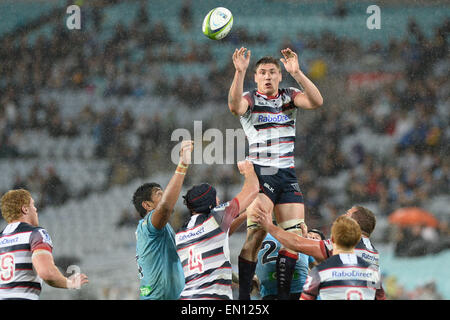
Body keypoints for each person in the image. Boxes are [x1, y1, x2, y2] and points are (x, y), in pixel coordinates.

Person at [228, 46, 324, 299]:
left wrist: (298, 72)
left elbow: (316, 101)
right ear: (256, 77)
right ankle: (244, 299)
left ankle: (283, 296)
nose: (268, 76)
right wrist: (239, 72)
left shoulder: (289, 95)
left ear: (280, 75)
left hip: (287, 175)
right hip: (262, 173)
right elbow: (233, 106)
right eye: (262, 72)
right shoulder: (250, 98)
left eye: (272, 72)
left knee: (292, 237)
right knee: (256, 235)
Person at [253, 205, 386, 299]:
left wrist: (269, 226)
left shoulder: (345, 242)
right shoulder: (372, 252)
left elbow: (297, 244)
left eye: (347, 214)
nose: (342, 216)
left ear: (354, 223)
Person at [175, 160, 259, 300]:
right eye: (216, 197)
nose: (219, 200)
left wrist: (245, 215)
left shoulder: (181, 233)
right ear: (210, 204)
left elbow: (219, 238)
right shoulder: (216, 217)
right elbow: (252, 190)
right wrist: (248, 171)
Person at [0, 189, 88, 300]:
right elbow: (46, 272)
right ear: (25, 209)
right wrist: (69, 283)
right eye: (33, 205)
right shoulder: (36, 234)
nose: (36, 209)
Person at [133, 140, 193, 300]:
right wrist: (183, 164)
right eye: (159, 194)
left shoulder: (162, 230)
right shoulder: (148, 226)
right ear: (147, 205)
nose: (165, 196)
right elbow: (165, 207)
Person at [300, 215, 381, 300]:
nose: (312, 238)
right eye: (310, 235)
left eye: (316, 238)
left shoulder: (321, 270)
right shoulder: (372, 271)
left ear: (332, 239)